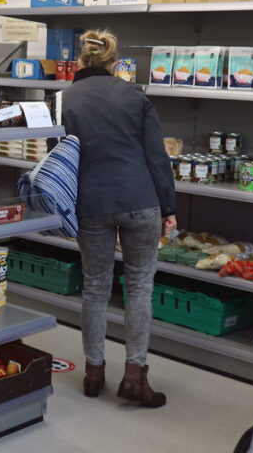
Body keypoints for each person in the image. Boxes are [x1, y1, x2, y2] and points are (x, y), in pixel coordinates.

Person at [61, 29, 177, 409]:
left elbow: (58, 158)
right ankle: (135, 376)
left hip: (91, 201)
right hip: (139, 199)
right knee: (140, 286)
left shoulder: (64, 98)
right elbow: (156, 157)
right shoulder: (134, 95)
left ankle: (93, 374)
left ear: (80, 61)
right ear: (113, 62)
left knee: (95, 287)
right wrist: (169, 208)